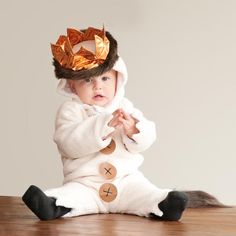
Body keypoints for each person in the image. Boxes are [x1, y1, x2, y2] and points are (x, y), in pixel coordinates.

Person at [22, 26, 188, 221]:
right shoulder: (71, 110)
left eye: (105, 78)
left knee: (145, 193)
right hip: (85, 184)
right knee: (72, 196)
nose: (98, 86)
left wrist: (134, 129)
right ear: (72, 84)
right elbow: (68, 143)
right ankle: (52, 204)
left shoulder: (125, 107)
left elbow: (147, 138)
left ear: (119, 79)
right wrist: (104, 124)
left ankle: (164, 204)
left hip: (126, 182)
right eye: (88, 80)